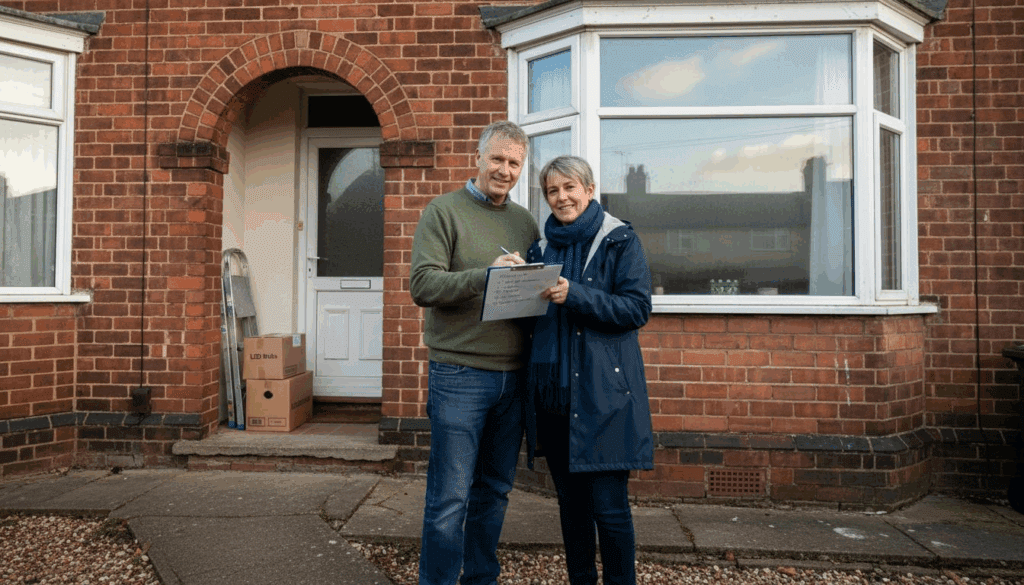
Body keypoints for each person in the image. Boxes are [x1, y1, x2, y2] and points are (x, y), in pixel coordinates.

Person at [410, 120, 540, 585]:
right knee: (450, 498)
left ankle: (480, 578)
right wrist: (486, 276)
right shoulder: (443, 211)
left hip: (514, 374)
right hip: (460, 373)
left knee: (495, 492)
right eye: (497, 159)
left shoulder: (524, 221)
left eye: (514, 163)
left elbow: (526, 297)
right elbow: (422, 285)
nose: (504, 170)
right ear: (479, 158)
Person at [525, 155, 654, 585]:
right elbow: (530, 320)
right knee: (571, 506)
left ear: (589, 189)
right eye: (552, 191)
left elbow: (636, 309)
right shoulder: (540, 249)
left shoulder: (619, 239)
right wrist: (509, 283)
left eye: (569, 188)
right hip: (555, 399)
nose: (561, 198)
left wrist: (575, 294)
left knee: (610, 509)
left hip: (604, 397)